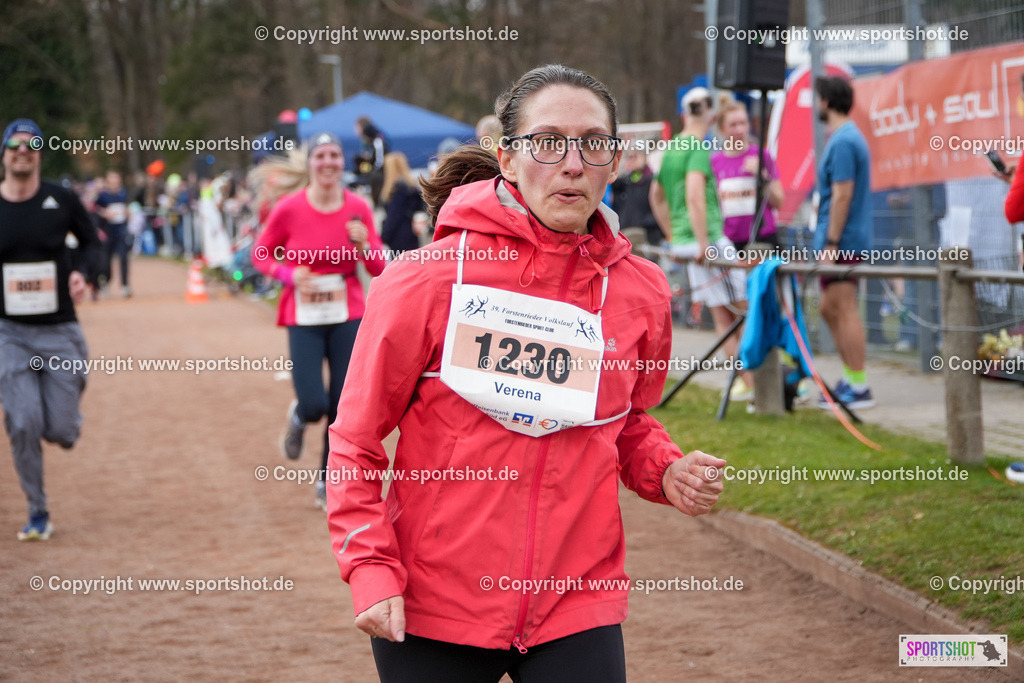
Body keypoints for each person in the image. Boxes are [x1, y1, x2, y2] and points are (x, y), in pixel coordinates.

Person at [326, 65, 726, 681]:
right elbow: (354, 440)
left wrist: (665, 469)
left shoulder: (643, 291)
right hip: (435, 607)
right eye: (548, 142)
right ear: (508, 159)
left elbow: (628, 422)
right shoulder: (425, 280)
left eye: (593, 143)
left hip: (577, 601)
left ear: (615, 161)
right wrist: (371, 569)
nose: (572, 163)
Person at [253, 133, 386, 510]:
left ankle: (328, 480)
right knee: (315, 404)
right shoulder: (290, 208)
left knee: (341, 405)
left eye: (334, 155)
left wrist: (364, 246)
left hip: (347, 313)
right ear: (310, 163)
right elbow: (262, 253)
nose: (328, 162)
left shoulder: (358, 206)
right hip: (304, 313)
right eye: (321, 156)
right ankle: (299, 416)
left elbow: (379, 267)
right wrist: (286, 275)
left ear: (342, 163)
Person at [0, 118, 100, 540]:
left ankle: (67, 412)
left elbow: (93, 241)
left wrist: (84, 274)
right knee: (22, 422)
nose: (23, 151)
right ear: (4, 154)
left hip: (58, 329)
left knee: (60, 431)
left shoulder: (60, 200)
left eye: (32, 145)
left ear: (39, 154)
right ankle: (37, 511)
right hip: (9, 332)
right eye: (15, 145)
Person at [649, 87, 748, 399]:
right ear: (712, 116)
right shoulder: (697, 147)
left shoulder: (673, 147)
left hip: (685, 244)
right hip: (710, 243)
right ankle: (758, 383)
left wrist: (672, 236)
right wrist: (704, 241)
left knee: (722, 315)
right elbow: (694, 194)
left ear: (683, 115)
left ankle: (746, 382)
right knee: (743, 311)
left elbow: (657, 196)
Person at [813, 75, 875, 409]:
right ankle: (851, 379)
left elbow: (842, 194)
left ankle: (860, 386)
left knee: (845, 307)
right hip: (839, 239)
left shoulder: (843, 141)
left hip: (842, 241)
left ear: (826, 101)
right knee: (827, 307)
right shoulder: (845, 138)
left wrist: (832, 242)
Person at [711, 95, 784, 251]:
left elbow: (779, 201)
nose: (739, 129)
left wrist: (762, 178)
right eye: (733, 125)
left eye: (743, 123)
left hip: (763, 238)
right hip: (730, 241)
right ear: (721, 129)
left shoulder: (762, 155)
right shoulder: (714, 163)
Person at [610, 150, 662, 248]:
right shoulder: (627, 181)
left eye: (635, 157)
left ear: (645, 158)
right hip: (626, 228)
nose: (631, 161)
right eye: (629, 157)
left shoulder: (652, 180)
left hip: (647, 232)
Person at [95, 170, 131, 297]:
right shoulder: (102, 196)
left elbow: (126, 207)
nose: (115, 184)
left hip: (121, 230)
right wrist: (104, 213)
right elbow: (95, 209)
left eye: (117, 182)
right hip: (107, 232)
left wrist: (127, 214)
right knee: (106, 260)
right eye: (113, 182)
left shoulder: (123, 194)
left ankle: (125, 285)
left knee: (124, 257)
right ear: (108, 183)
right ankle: (104, 281)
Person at [379, 152, 424, 254]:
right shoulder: (412, 188)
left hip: (398, 237)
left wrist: (384, 236)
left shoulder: (396, 190)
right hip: (411, 235)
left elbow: (394, 216)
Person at [354, 117, 390, 205]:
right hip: (373, 173)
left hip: (379, 175)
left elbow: (379, 161)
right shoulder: (369, 142)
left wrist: (372, 171)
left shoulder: (378, 141)